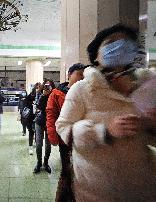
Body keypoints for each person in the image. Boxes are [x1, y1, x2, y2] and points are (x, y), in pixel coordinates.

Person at [56, 24, 156, 201]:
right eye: (111, 42)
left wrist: (151, 125)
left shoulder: (147, 87)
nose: (120, 46)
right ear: (96, 56)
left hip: (143, 188)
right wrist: (104, 131)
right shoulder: (82, 89)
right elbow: (64, 129)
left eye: (127, 42)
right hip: (96, 191)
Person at [46, 63, 86, 200]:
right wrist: (52, 135)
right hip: (66, 139)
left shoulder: (87, 92)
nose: (82, 78)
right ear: (69, 74)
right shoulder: (57, 93)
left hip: (85, 139)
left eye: (84, 75)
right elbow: (51, 114)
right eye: (79, 74)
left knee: (82, 171)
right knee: (67, 171)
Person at [33, 80, 55, 174]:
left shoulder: (54, 94)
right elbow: (38, 106)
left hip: (50, 122)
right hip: (39, 121)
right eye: (45, 85)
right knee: (38, 144)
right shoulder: (39, 93)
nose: (47, 87)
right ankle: (39, 163)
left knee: (48, 144)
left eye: (49, 86)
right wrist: (44, 95)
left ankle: (46, 163)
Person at [23, 82, 41, 155]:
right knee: (31, 132)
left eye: (39, 87)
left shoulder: (42, 95)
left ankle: (36, 144)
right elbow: (26, 102)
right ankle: (30, 146)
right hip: (31, 117)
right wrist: (32, 104)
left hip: (39, 117)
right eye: (37, 87)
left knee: (37, 132)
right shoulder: (31, 95)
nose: (38, 89)